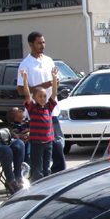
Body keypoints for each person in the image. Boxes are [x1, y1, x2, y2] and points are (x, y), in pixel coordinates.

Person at [17, 32, 66, 173]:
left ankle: (58, 171)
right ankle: (37, 174)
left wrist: (55, 82)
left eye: (43, 42)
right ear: (31, 44)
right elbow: (21, 90)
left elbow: (54, 82)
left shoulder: (49, 60)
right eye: (39, 43)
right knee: (39, 146)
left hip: (51, 109)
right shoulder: (25, 64)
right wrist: (42, 85)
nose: (42, 46)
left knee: (57, 142)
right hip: (36, 111)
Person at [22, 66, 59, 182]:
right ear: (34, 98)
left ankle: (47, 184)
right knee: (37, 166)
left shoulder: (49, 106)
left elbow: (54, 93)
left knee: (46, 166)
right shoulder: (32, 108)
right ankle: (35, 183)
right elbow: (27, 95)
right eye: (40, 96)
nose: (43, 98)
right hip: (37, 142)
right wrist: (25, 80)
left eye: (44, 96)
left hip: (48, 141)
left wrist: (54, 77)